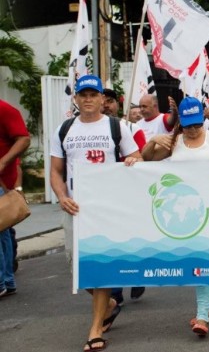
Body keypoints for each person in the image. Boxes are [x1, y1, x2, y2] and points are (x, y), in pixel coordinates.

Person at [49, 75, 142, 351]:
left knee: (98, 266)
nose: (88, 99)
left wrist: (134, 161)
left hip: (105, 209)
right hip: (75, 208)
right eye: (83, 94)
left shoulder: (117, 127)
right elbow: (55, 171)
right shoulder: (64, 129)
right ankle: (110, 304)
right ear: (76, 99)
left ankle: (94, 329)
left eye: (93, 94)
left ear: (103, 98)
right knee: (75, 267)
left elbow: (136, 157)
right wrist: (62, 196)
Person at [142, 96, 209, 337]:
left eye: (197, 124)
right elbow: (146, 160)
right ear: (180, 122)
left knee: (204, 260)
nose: (193, 129)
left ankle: (202, 313)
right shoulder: (175, 141)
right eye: (188, 125)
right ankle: (206, 305)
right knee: (194, 260)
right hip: (183, 211)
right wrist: (152, 141)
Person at [101, 88, 147, 303]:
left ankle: (138, 275)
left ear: (118, 103)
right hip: (106, 197)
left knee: (132, 240)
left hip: (130, 195)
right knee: (112, 244)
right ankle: (115, 294)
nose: (105, 105)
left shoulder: (132, 129)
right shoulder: (89, 131)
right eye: (102, 101)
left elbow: (143, 157)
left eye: (109, 101)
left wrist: (131, 160)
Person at [0, 99, 30, 297]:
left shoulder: (3, 109)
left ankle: (3, 280)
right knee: (3, 231)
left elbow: (24, 138)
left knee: (2, 228)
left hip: (1, 181)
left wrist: (2, 163)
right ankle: (7, 280)